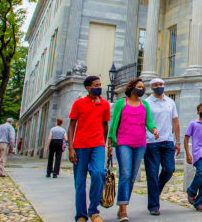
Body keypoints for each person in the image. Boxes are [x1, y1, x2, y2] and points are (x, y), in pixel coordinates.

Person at [108, 78, 159, 222]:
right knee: (125, 173)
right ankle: (123, 209)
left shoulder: (145, 105)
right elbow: (114, 123)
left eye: (143, 87)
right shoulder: (120, 103)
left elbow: (148, 121)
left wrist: (154, 129)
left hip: (140, 143)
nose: (141, 89)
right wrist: (110, 143)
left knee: (132, 177)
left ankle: (122, 205)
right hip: (123, 142)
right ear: (132, 88)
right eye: (139, 87)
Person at [68, 76, 110, 222]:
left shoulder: (104, 104)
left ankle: (93, 210)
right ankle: (80, 214)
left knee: (98, 174)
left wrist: (104, 144)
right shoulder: (79, 103)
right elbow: (72, 125)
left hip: (97, 144)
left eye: (100, 84)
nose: (99, 87)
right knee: (80, 182)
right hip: (80, 146)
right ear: (88, 88)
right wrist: (71, 148)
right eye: (96, 85)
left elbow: (105, 125)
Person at [144, 78, 180, 216]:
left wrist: (177, 141)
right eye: (156, 85)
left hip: (168, 141)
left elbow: (175, 121)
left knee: (169, 169)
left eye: (161, 85)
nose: (159, 87)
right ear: (151, 87)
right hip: (151, 142)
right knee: (152, 173)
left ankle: (156, 190)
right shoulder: (147, 103)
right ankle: (153, 205)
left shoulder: (170, 102)